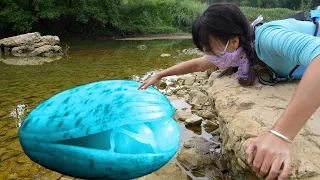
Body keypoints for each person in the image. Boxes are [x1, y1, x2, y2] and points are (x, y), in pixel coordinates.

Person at [138, 2, 320, 180]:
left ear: (233, 41)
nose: (208, 56)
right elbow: (198, 64)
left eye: (210, 50)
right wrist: (161, 74)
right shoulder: (241, 50)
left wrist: (281, 135)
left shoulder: (267, 37)